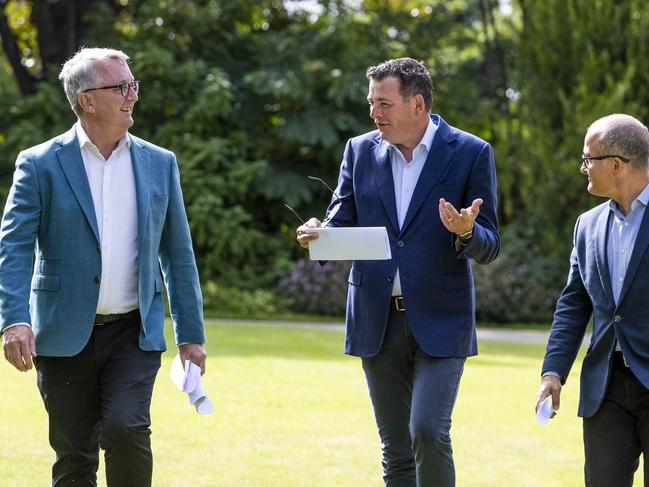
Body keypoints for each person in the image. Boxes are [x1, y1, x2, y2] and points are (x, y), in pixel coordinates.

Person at [0, 47, 206, 486]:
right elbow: (14, 247)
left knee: (126, 428)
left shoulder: (160, 163)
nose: (132, 95)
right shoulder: (38, 164)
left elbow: (178, 253)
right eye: (121, 87)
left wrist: (191, 334)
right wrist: (14, 320)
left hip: (134, 332)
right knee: (74, 454)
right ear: (87, 100)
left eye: (133, 85)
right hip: (61, 333)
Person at [295, 57, 499, 486]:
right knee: (395, 449)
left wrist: (466, 232)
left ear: (417, 104)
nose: (374, 112)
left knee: (427, 430)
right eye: (371, 103)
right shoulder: (358, 150)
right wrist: (320, 231)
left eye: (384, 103)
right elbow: (341, 217)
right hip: (376, 318)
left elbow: (490, 243)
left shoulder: (471, 152)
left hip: (443, 318)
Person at [535, 114, 649, 487]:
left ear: (616, 164)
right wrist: (553, 372)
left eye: (588, 158)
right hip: (605, 387)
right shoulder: (586, 225)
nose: (583, 167)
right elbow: (573, 304)